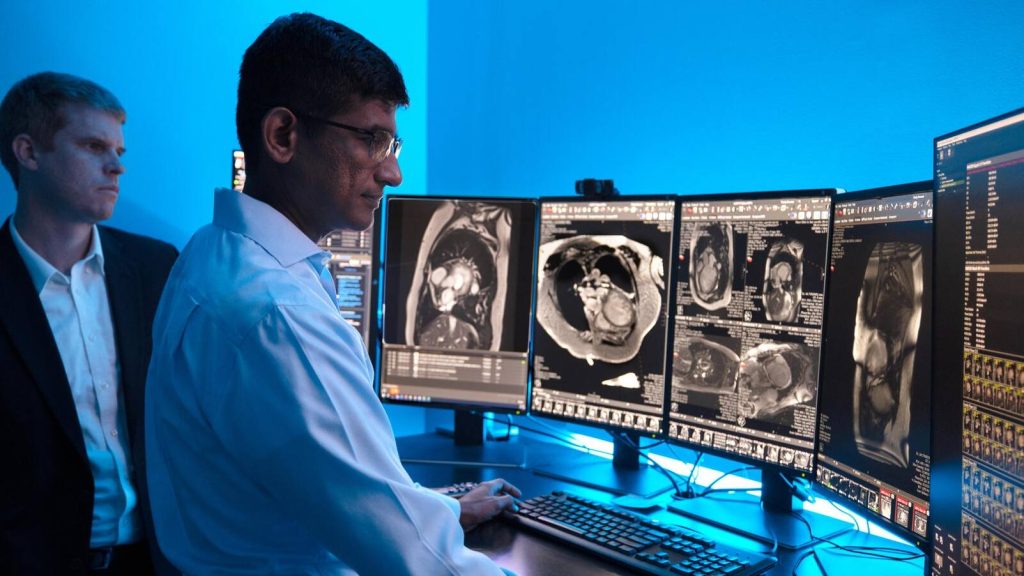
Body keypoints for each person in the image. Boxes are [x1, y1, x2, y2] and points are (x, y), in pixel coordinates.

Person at [145, 13, 520, 575]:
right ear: (282, 136)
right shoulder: (277, 316)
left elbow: (307, 484)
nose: (392, 172)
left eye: (393, 143)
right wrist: (421, 530)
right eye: (372, 139)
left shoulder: (211, 252)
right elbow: (419, 564)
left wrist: (431, 510)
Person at [0, 72, 178, 575]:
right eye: (95, 146)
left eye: (119, 149)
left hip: (157, 560)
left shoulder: (157, 269)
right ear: (28, 153)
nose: (117, 166)